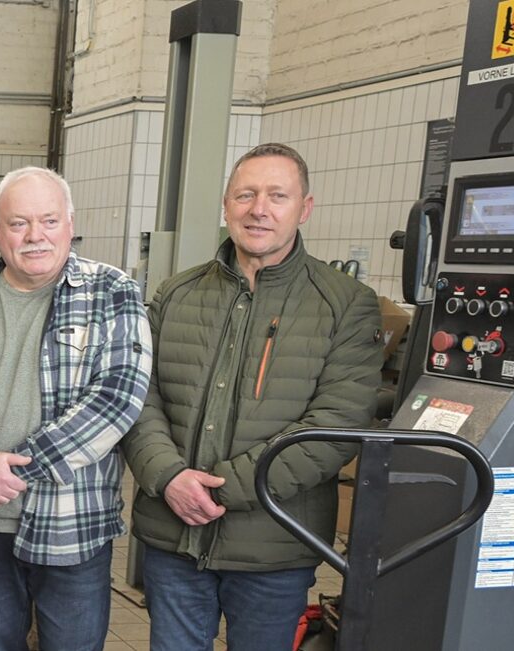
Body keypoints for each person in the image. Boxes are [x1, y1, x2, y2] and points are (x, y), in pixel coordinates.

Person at [123, 143, 381, 651]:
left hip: (276, 548)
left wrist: (217, 492)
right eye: (246, 194)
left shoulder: (345, 305)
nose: (258, 208)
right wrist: (169, 476)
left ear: (304, 208)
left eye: (277, 195)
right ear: (226, 204)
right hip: (172, 541)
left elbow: (335, 425)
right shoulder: (176, 294)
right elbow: (135, 396)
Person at [0, 166, 152, 650]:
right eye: (18, 223)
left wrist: (17, 469)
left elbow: (117, 397)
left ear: (69, 222)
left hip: (70, 523)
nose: (34, 236)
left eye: (48, 220)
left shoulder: (112, 292)